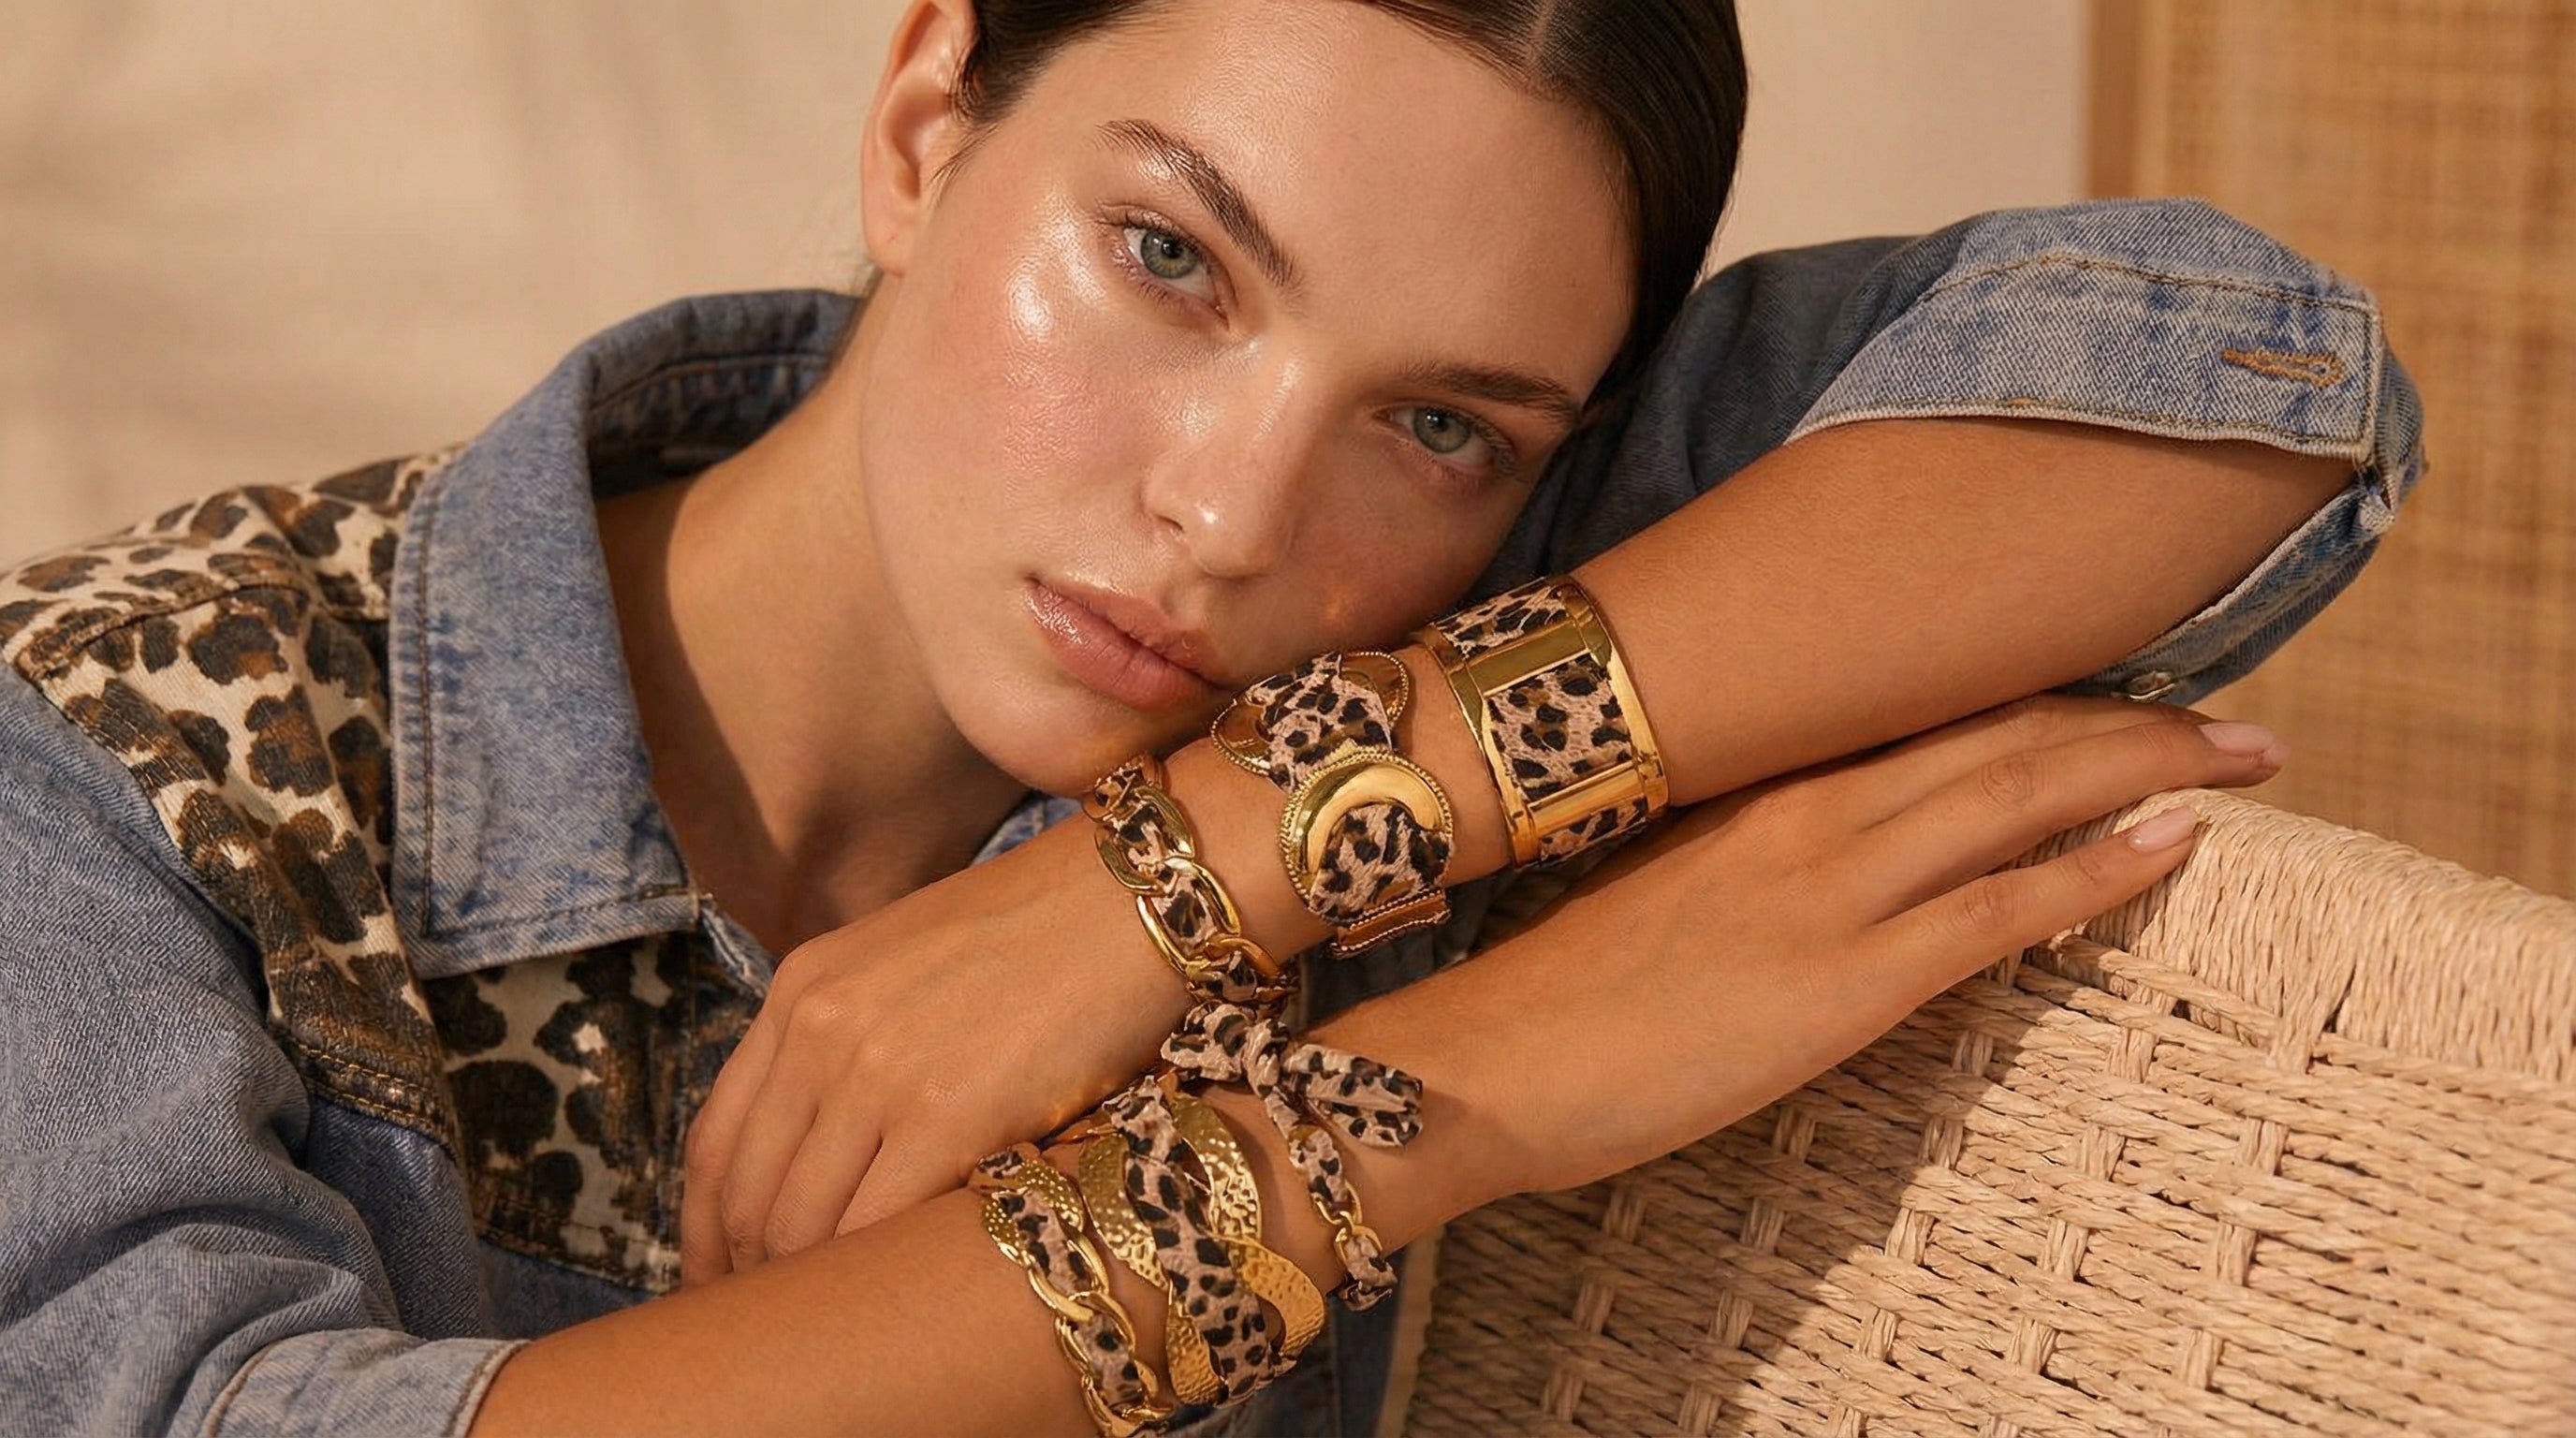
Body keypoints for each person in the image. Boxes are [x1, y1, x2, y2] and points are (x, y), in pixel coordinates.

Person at [0, 1, 2422, 1434]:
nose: (1238, 517)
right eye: (1169, 258)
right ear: (927, 120)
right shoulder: (120, 753)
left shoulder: (1429, 615)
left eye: (1442, 420)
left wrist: (1199, 863)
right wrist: (1442, 1100)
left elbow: (2245, 382)